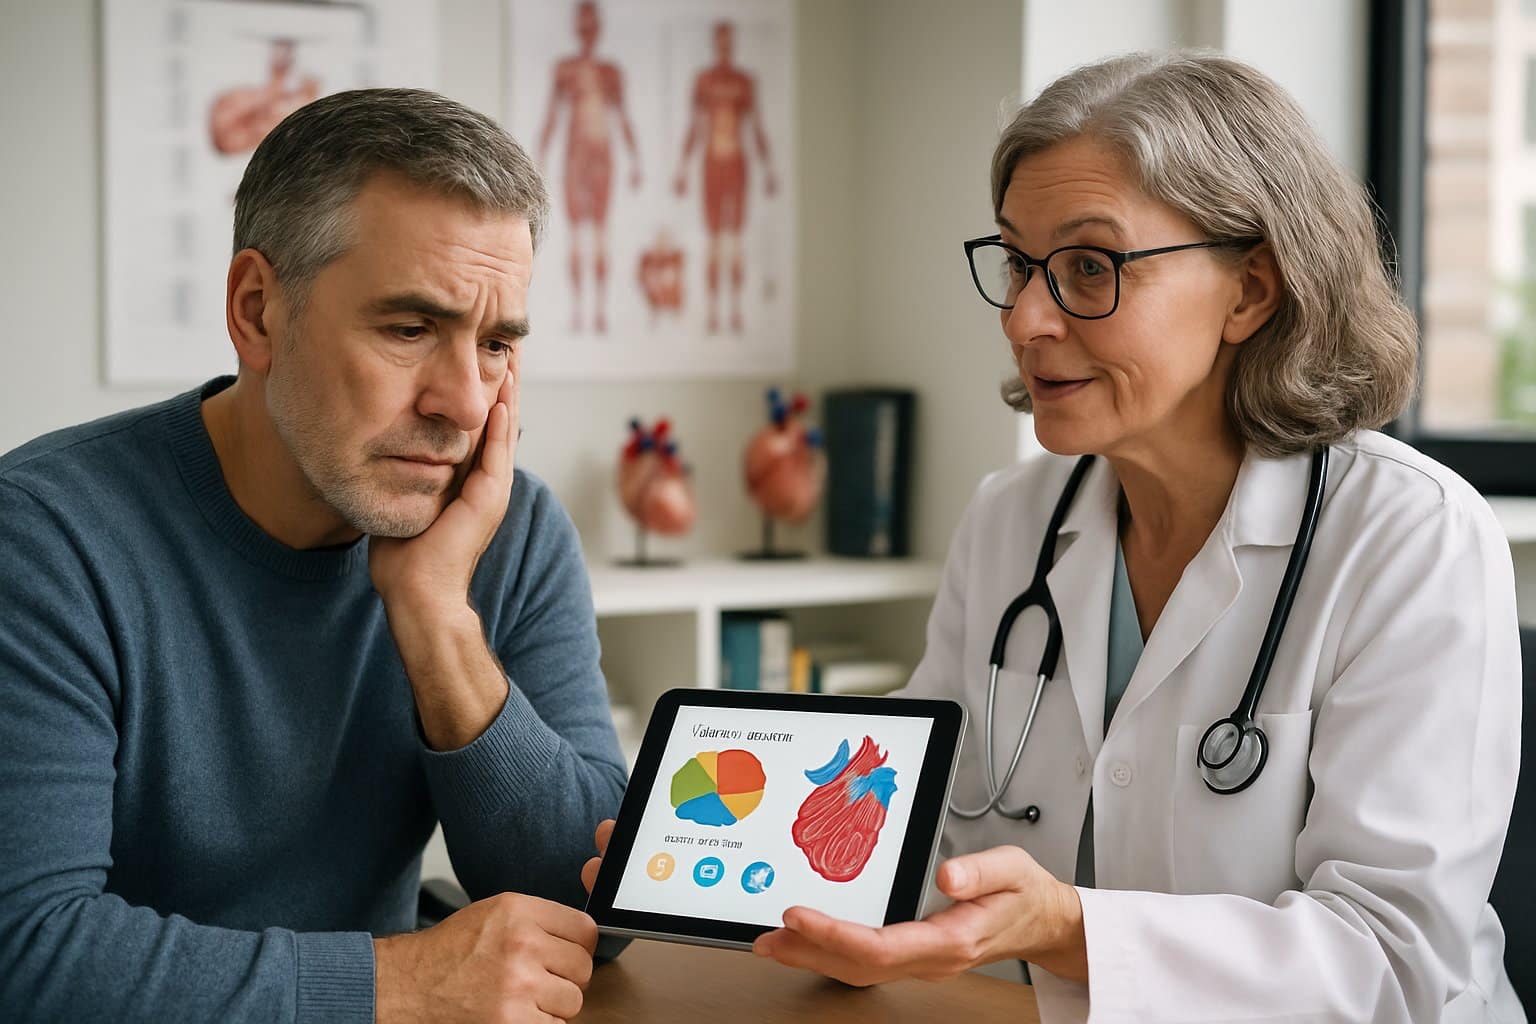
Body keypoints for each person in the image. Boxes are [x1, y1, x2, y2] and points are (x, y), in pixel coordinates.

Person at [586, 51, 1527, 1021]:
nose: (1027, 318)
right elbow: (920, 836)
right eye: (1019, 264)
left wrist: (1065, 927)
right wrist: (727, 858)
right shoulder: (1015, 519)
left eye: (1089, 267)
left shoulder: (1412, 539)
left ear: (1251, 291)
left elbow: (1394, 960)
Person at [0, 88, 625, 1023]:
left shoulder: (509, 529)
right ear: (256, 310)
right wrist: (403, 982)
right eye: (410, 329)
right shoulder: (45, 537)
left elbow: (596, 910)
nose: (462, 401)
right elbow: (28, 955)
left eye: (495, 343)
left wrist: (435, 619)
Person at [537, 0, 643, 335]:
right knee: (576, 234)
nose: (587, 29)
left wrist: (635, 159)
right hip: (575, 155)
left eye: (592, 22)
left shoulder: (611, 72)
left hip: (602, 156)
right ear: (576, 26)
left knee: (599, 233)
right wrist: (536, 162)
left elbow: (623, 117)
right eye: (583, 22)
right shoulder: (565, 69)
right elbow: (552, 117)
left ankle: (598, 310)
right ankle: (578, 310)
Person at [673, 20, 778, 334]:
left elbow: (756, 127)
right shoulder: (704, 80)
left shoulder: (744, 81)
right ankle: (714, 312)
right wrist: (682, 168)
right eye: (720, 41)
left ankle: (734, 309)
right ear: (714, 43)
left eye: (728, 41)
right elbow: (695, 126)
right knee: (715, 243)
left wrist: (768, 168)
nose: (724, 46)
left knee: (734, 242)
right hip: (711, 165)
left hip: (736, 164)